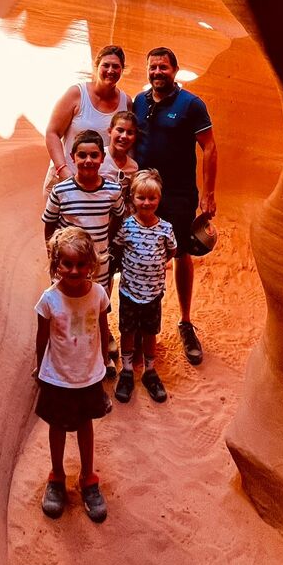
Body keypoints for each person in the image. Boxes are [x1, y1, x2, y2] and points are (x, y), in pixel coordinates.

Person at [133, 47, 217, 365]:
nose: (157, 72)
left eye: (163, 67)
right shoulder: (139, 102)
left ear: (175, 70)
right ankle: (145, 326)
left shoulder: (191, 105)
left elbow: (209, 146)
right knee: (145, 254)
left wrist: (209, 194)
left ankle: (185, 322)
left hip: (180, 194)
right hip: (143, 194)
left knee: (181, 253)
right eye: (153, 67)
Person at [34, 227, 111, 522]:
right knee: (57, 426)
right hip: (57, 377)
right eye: (67, 263)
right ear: (56, 264)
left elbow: (104, 329)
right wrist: (41, 371)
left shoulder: (98, 294)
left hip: (88, 375)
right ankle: (57, 477)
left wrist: (103, 361)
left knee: (85, 425)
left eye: (80, 264)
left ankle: (88, 478)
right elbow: (42, 340)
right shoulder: (49, 300)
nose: (74, 270)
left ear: (91, 264)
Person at [42, 130, 126, 376]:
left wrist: (103, 245)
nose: (88, 160)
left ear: (102, 158)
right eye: (82, 155)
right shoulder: (61, 191)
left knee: (96, 304)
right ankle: (67, 355)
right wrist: (55, 256)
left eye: (93, 155)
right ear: (72, 157)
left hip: (97, 263)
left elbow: (118, 218)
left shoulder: (112, 191)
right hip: (68, 265)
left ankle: (99, 352)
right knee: (67, 306)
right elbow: (49, 224)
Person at [112, 169, 177, 404]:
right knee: (127, 331)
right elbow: (118, 248)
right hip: (129, 292)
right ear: (132, 198)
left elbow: (172, 250)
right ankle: (127, 371)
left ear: (159, 199)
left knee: (151, 332)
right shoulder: (127, 226)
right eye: (141, 198)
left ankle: (150, 371)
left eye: (152, 198)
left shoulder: (165, 229)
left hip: (153, 294)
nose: (146, 203)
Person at [43, 45, 131, 193]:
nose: (110, 71)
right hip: (65, 180)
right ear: (96, 67)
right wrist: (63, 170)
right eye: (105, 65)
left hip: (100, 187)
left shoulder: (126, 102)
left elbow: (127, 145)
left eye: (116, 66)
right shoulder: (76, 94)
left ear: (122, 70)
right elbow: (52, 133)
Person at [99, 110, 139, 208]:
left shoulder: (133, 167)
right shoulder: (97, 157)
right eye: (120, 130)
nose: (124, 136)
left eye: (130, 132)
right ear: (109, 131)